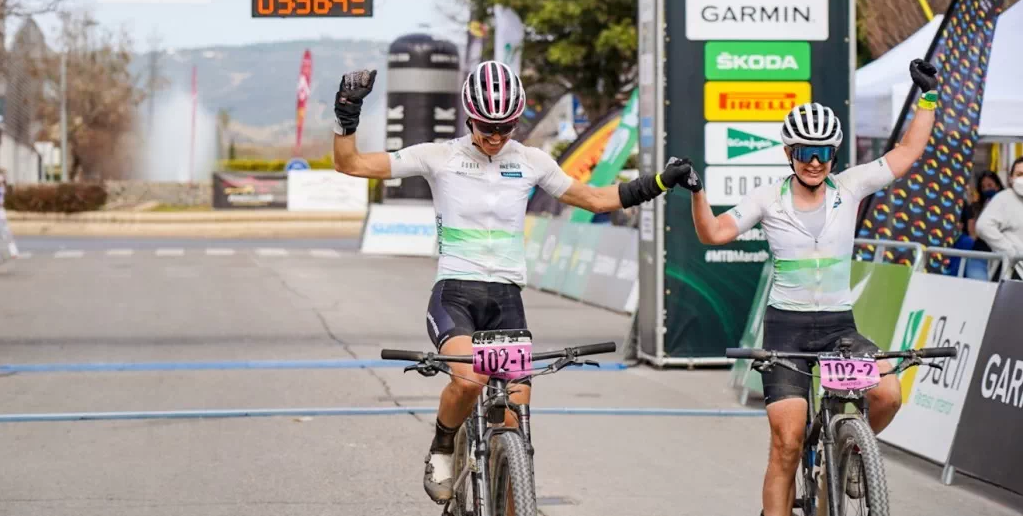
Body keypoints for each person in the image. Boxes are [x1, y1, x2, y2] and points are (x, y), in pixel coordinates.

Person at [331, 60, 692, 504]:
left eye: (507, 125)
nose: (497, 135)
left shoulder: (532, 161)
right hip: (455, 294)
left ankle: (516, 495)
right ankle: (442, 446)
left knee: (515, 410)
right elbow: (350, 164)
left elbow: (597, 198)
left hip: (506, 299)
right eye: (487, 125)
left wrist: (660, 182)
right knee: (468, 381)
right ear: (469, 115)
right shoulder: (438, 157)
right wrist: (348, 112)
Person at [680, 59, 938, 516]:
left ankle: (852, 457)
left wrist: (929, 97)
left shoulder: (851, 186)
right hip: (787, 332)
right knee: (788, 442)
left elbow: (906, 151)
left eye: (823, 152)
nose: (815, 161)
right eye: (805, 152)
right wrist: (698, 194)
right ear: (789, 153)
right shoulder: (768, 198)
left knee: (887, 394)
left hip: (840, 326)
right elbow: (713, 234)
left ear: (834, 154)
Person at [977, 156, 1023, 280]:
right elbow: (983, 226)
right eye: (1019, 174)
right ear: (1011, 178)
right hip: (1012, 269)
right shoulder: (1004, 198)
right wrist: (1010, 251)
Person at [956, 170, 1004, 280]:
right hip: (980, 252)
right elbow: (974, 233)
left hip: (1001, 254)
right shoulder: (976, 207)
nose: (987, 189)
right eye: (983, 187)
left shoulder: (1007, 205)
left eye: (990, 185)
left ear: (997, 186)